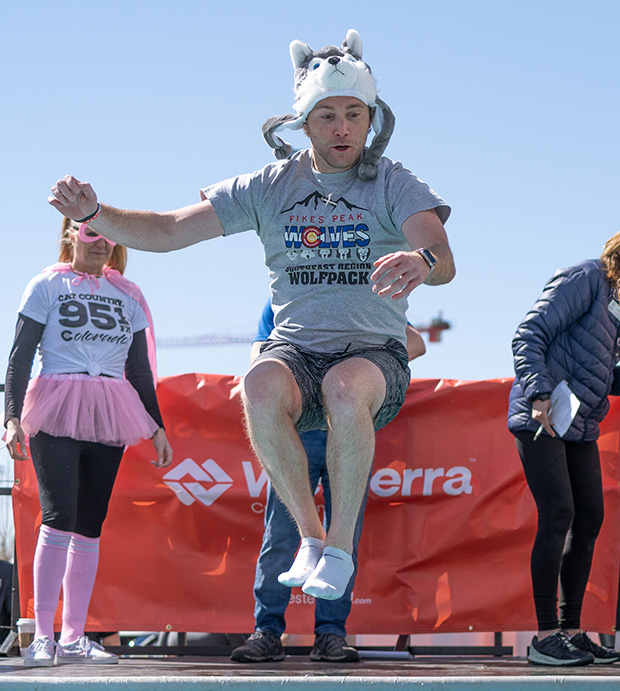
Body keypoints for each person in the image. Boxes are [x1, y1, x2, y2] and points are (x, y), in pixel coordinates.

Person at [47, 30, 453, 608]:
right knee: (258, 383)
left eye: (354, 115)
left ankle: (340, 550)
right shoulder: (269, 187)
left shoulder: (393, 181)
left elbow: (442, 255)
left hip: (372, 354)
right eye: (328, 116)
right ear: (304, 123)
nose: (342, 128)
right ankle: (311, 539)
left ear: (372, 120)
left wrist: (422, 260)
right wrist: (94, 212)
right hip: (295, 353)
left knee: (344, 388)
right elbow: (168, 230)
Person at [5, 219, 172, 667]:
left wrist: (156, 427)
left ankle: (74, 637)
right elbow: (20, 356)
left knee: (90, 524)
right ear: (70, 235)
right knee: (58, 517)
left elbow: (139, 369)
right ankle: (42, 637)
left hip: (110, 408)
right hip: (56, 403)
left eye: (110, 234)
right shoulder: (46, 285)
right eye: (91, 233)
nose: (102, 243)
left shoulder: (128, 295)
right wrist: (12, 417)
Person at [508, 217, 620, 666]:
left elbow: (590, 363)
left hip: (578, 423)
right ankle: (544, 637)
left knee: (591, 517)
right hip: (541, 415)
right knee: (558, 513)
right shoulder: (587, 277)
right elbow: (528, 334)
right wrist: (539, 392)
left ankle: (572, 631)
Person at [231, 302, 425, 663]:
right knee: (280, 535)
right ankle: (267, 631)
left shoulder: (359, 300)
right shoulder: (286, 299)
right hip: (299, 434)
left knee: (342, 537)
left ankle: (331, 634)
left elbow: (414, 342)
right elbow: (260, 350)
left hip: (348, 436)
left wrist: (358, 367)